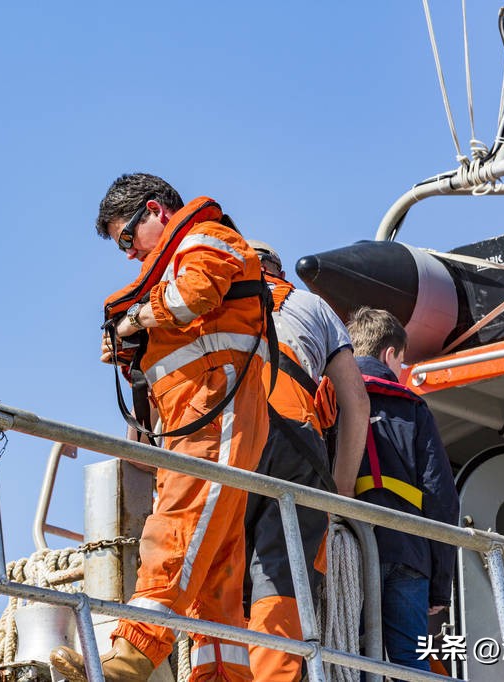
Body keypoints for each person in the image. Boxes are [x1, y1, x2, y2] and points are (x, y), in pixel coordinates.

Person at [50, 173, 272, 682]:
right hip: (195, 417)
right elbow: (188, 328)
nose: (128, 255)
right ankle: (222, 675)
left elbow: (194, 293)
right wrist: (132, 355)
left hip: (215, 410)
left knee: (176, 530)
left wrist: (134, 321)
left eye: (127, 238)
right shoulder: (176, 260)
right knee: (215, 561)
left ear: (157, 211)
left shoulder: (204, 238)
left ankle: (131, 657)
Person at [242, 240, 369, 682]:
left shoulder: (206, 307)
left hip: (220, 445)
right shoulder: (308, 305)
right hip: (294, 443)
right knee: (281, 571)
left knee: (215, 568)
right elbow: (356, 404)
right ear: (279, 271)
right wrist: (342, 492)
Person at [346, 306, 458, 673]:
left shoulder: (329, 398)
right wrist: (441, 586)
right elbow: (440, 497)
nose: (403, 371)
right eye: (403, 362)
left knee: (356, 656)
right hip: (410, 551)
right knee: (410, 659)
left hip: (351, 549)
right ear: (389, 353)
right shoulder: (413, 409)